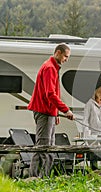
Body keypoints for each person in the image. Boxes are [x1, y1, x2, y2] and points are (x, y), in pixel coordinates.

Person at [27, 43, 74, 178]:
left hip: (49, 112)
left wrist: (56, 113)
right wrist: (66, 110)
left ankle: (45, 177)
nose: (66, 59)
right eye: (66, 56)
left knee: (49, 146)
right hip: (43, 111)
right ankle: (36, 178)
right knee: (43, 146)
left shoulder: (52, 67)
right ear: (58, 53)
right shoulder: (49, 68)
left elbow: (52, 94)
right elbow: (50, 94)